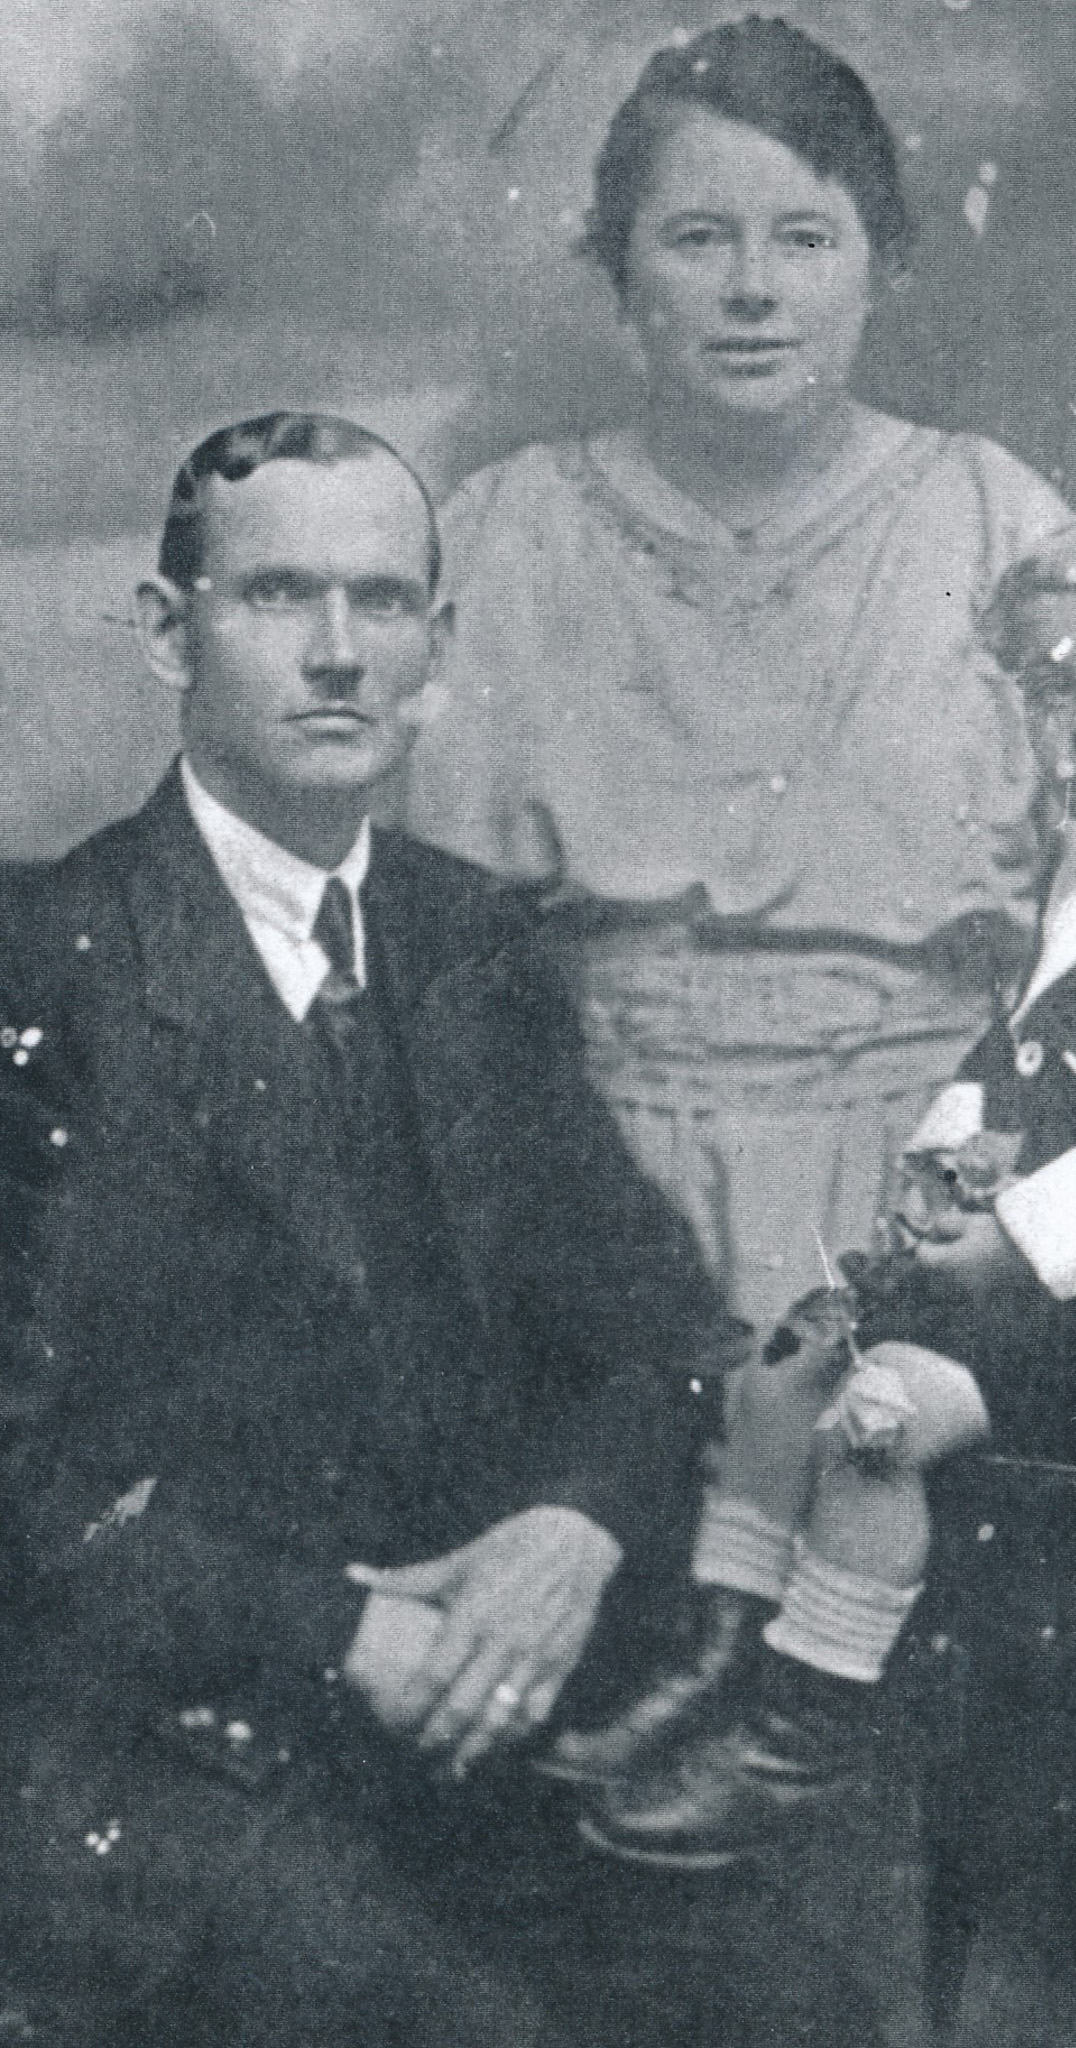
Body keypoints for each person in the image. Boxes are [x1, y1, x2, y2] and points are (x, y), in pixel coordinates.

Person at [0, 411, 743, 2045]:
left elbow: (656, 1331)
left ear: (437, 645)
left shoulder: (467, 939)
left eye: (384, 601)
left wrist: (575, 1530)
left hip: (468, 1742)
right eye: (277, 595)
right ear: (167, 631)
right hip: (149, 1761)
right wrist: (340, 1634)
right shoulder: (46, 963)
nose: (340, 653)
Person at [572, 499, 1076, 1870]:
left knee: (883, 1414)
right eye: (1055, 690)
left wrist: (1006, 1244)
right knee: (789, 1363)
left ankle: (810, 1723)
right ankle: (725, 1654)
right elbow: (1013, 1057)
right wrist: (949, 1169)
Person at [406, 14, 1068, 1330]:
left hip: (939, 1211)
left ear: (882, 266)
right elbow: (433, 969)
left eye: (806, 239)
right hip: (586, 1209)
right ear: (621, 273)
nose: (753, 289)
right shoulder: (501, 536)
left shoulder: (1000, 528)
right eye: (698, 238)